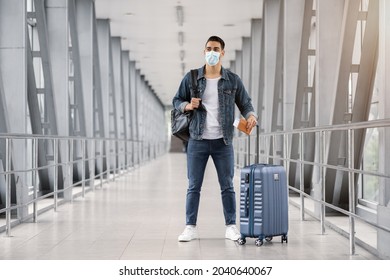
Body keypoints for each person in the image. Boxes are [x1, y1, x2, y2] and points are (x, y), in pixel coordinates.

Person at [172, 36, 258, 242]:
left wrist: (251, 115)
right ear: (204, 52)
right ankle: (190, 227)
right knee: (194, 185)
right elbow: (176, 100)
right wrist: (187, 106)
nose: (212, 52)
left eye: (216, 49)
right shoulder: (191, 77)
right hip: (197, 140)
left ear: (222, 53)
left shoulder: (232, 80)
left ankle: (230, 226)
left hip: (223, 142)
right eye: (209, 48)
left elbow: (245, 103)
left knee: (227, 185)